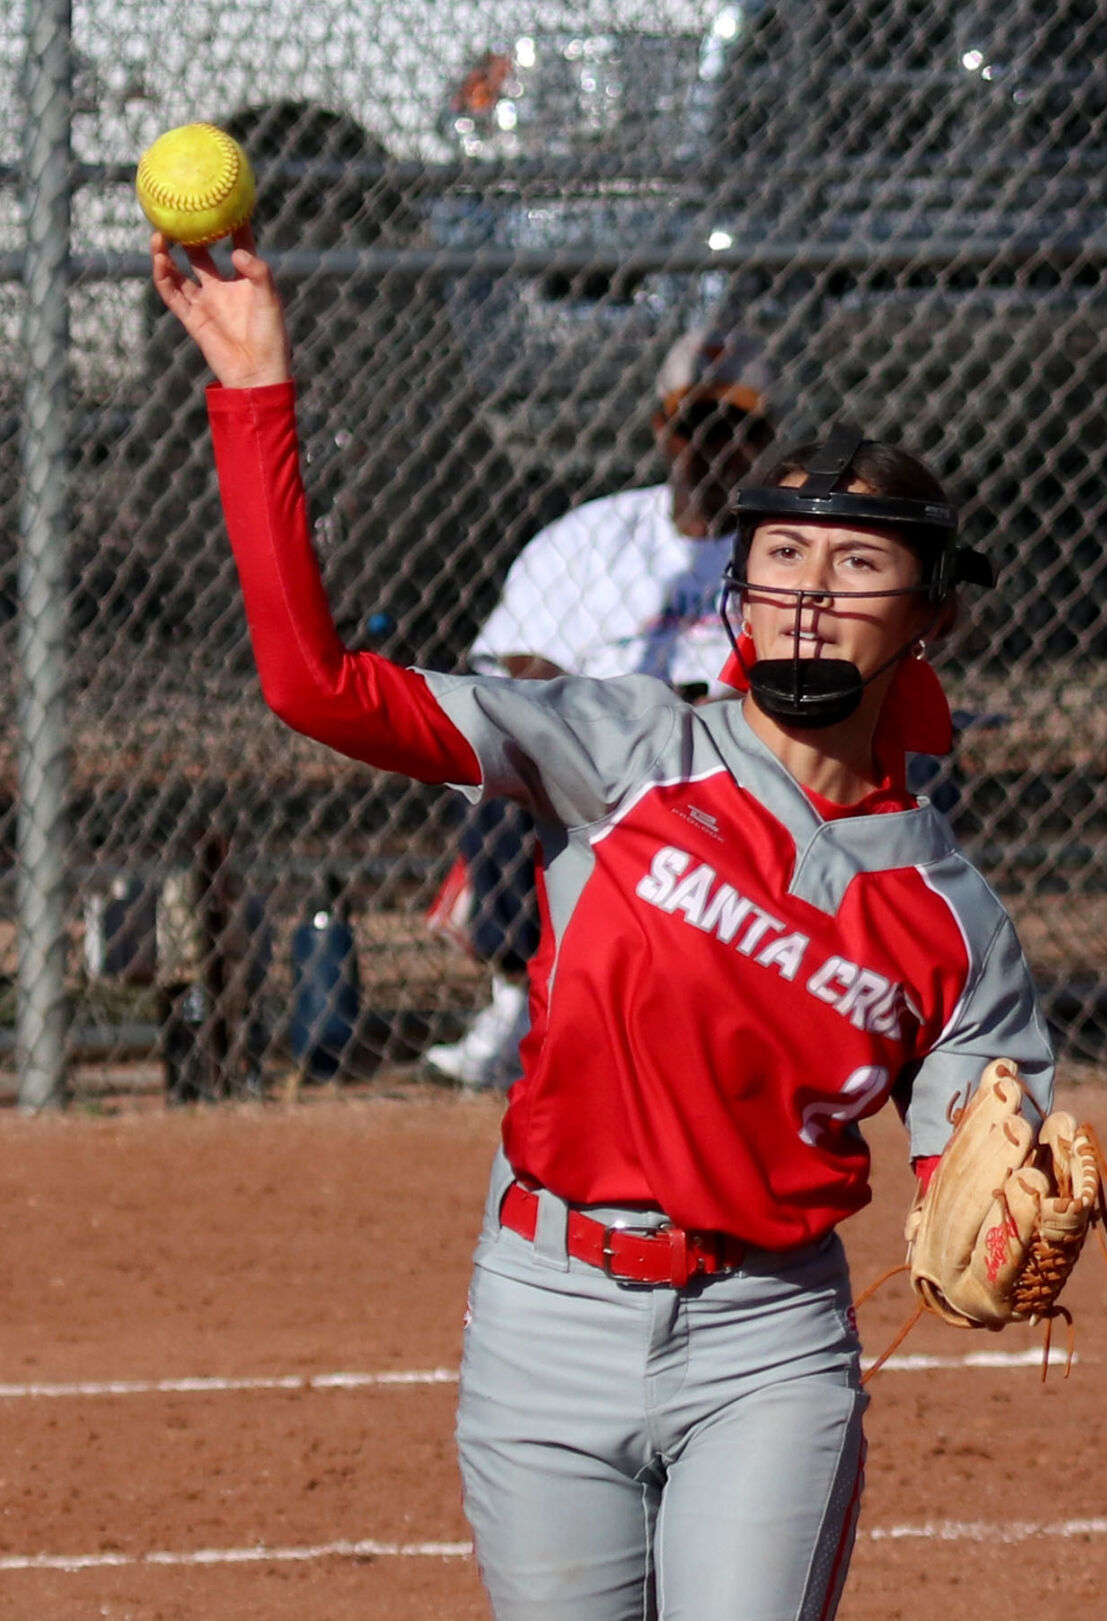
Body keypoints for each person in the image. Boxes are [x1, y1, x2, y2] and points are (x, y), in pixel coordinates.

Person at [151, 225, 1055, 1621]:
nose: (809, 591)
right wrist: (255, 386)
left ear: (927, 612)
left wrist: (991, 1228)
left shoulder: (948, 922)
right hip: (543, 1314)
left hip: (766, 1343)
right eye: (781, 553)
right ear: (737, 587)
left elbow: (971, 1183)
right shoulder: (632, 747)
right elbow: (314, 685)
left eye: (856, 564)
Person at [426, 327, 776, 1090]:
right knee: (501, 747)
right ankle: (519, 1000)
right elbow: (514, 672)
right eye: (698, 429)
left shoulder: (786, 545)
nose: (718, 451)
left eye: (741, 432)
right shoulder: (591, 537)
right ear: (664, 431)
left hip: (741, 761)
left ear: (769, 440)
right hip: (607, 758)